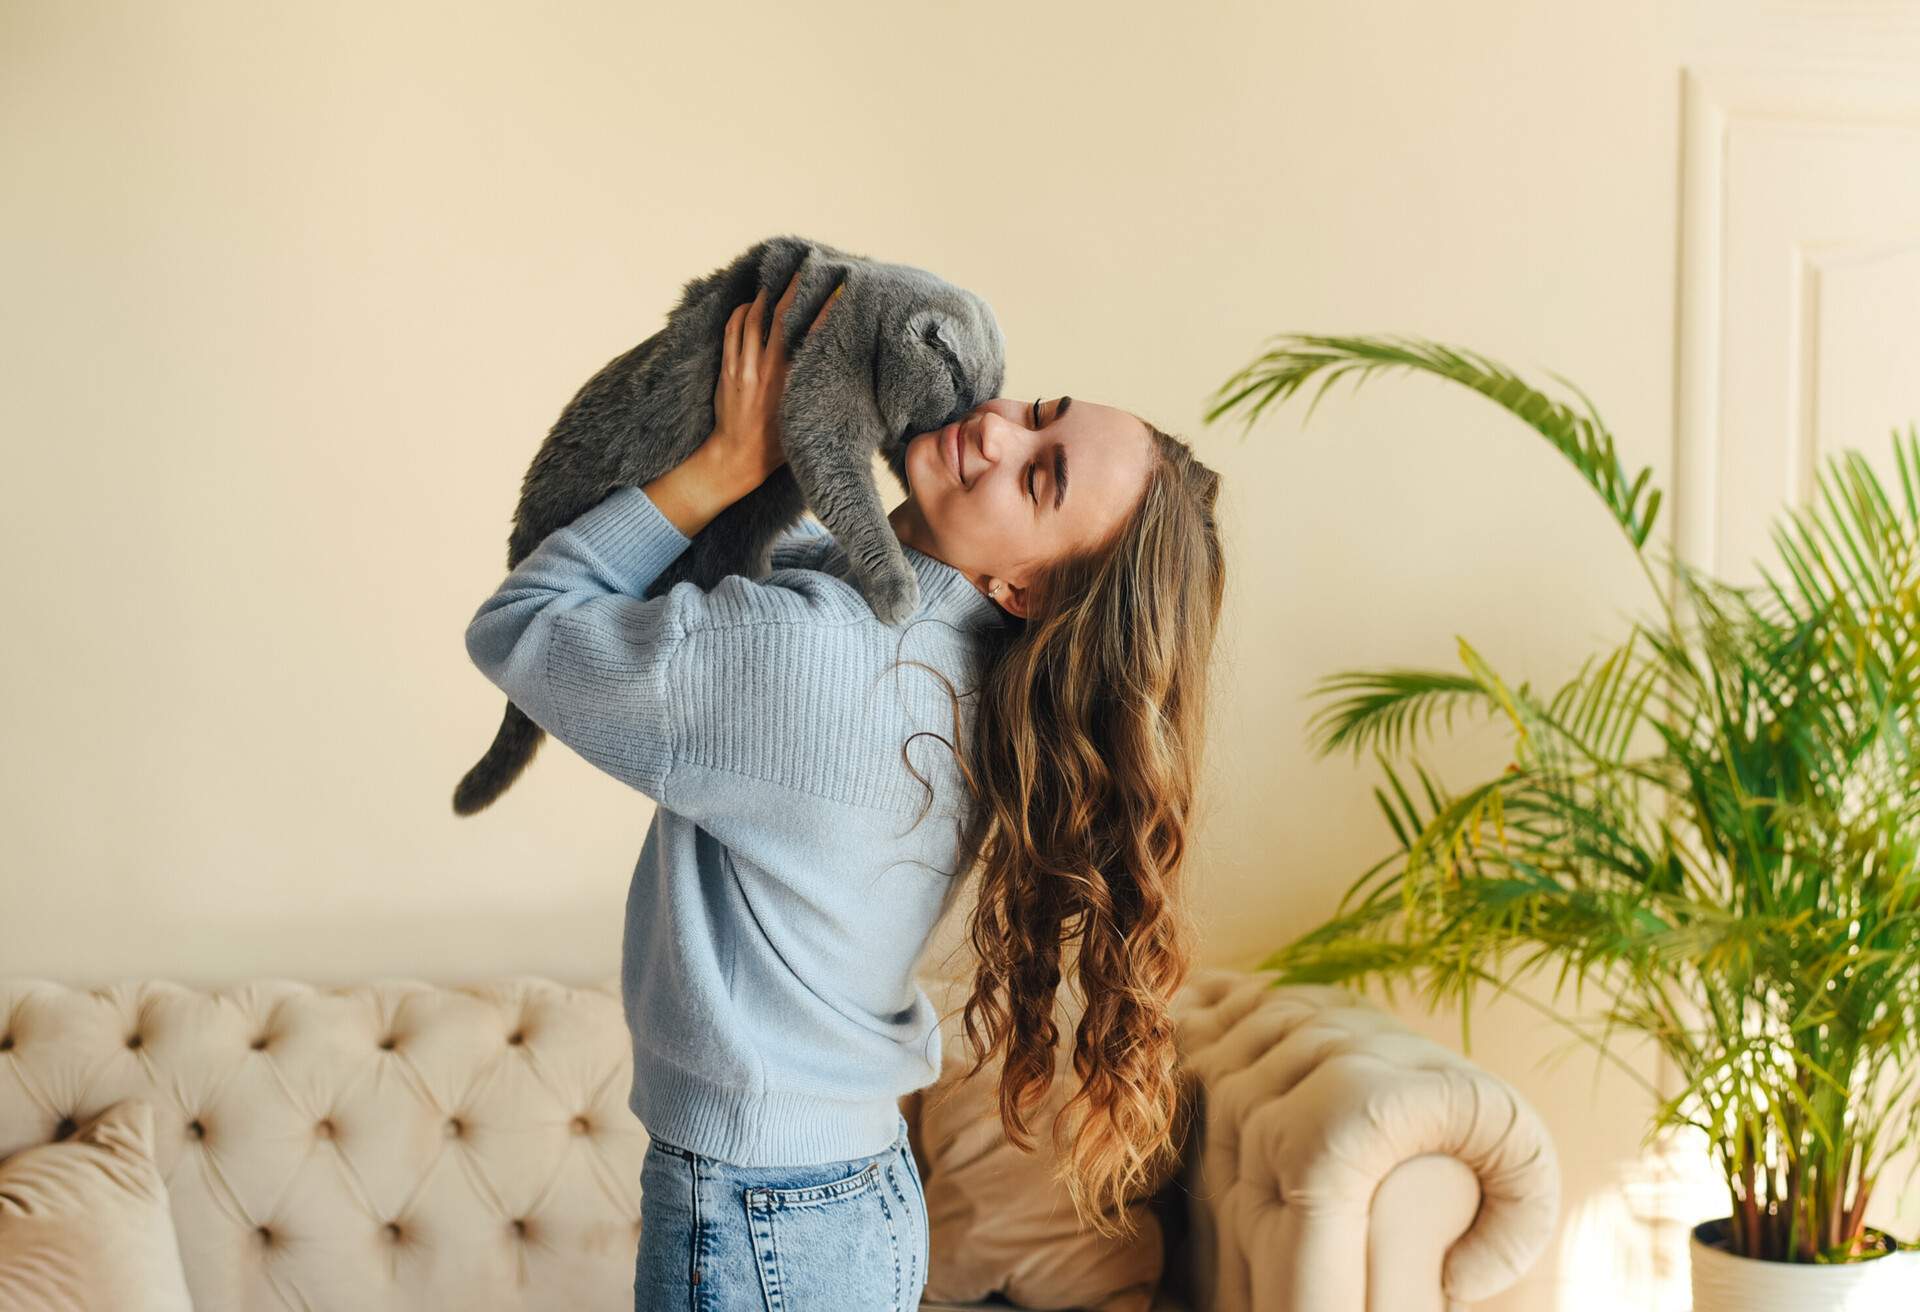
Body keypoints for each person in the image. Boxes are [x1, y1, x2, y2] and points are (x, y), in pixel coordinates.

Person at [465, 270, 1226, 1310]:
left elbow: (522, 625)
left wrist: (726, 462)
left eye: (1038, 478)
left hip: (756, 1213)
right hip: (839, 1202)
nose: (996, 432)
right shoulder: (938, 651)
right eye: (1039, 411)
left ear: (1027, 591)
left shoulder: (820, 658)